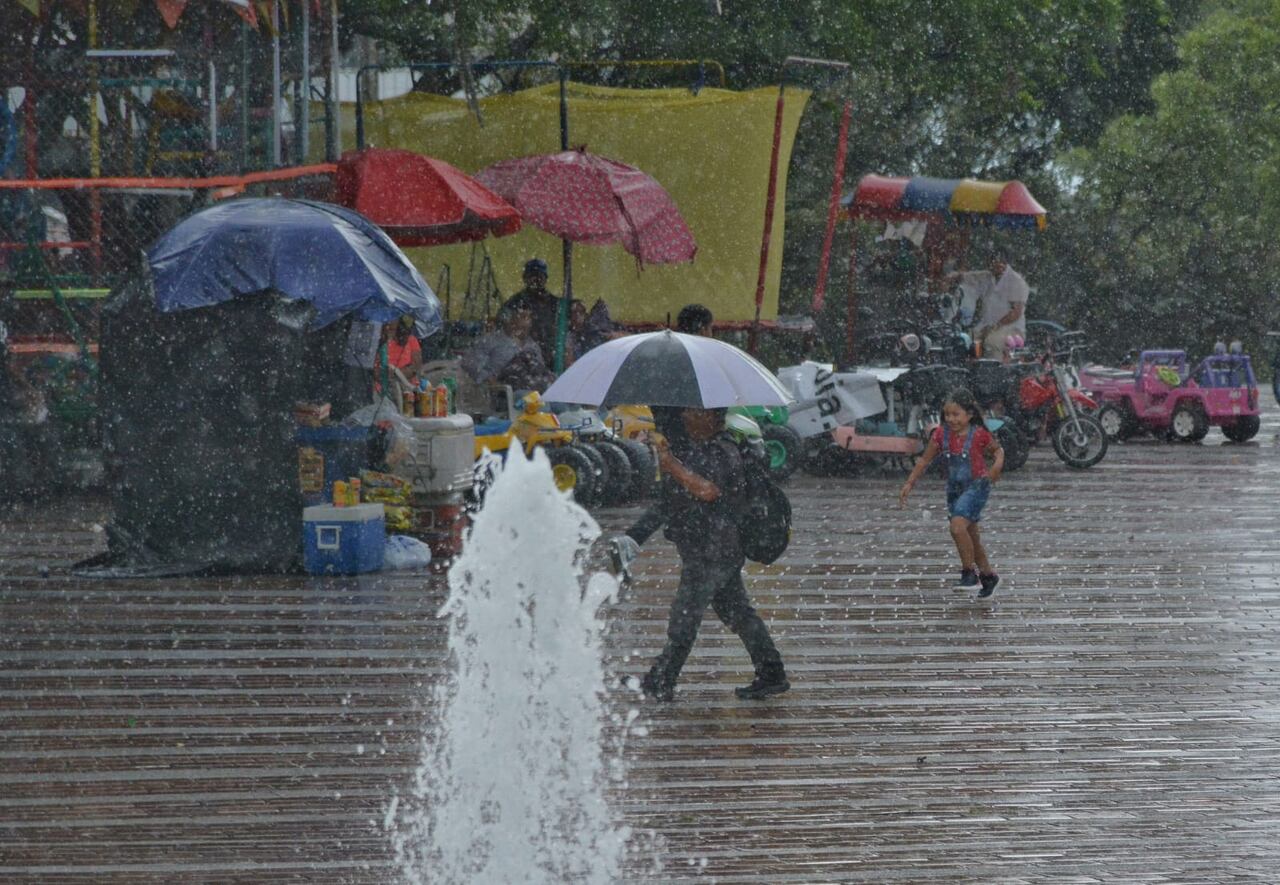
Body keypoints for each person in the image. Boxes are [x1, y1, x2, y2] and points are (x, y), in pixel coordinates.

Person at [615, 406, 789, 701]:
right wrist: (636, 536)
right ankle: (772, 672)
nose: (685, 417)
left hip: (712, 552)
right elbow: (674, 500)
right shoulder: (703, 449)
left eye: (693, 413)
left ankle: (661, 681)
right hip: (715, 549)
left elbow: (708, 490)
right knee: (738, 613)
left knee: (684, 618)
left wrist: (672, 466)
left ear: (711, 417)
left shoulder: (722, 451)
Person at [899, 388, 1005, 596]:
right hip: (955, 489)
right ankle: (988, 576)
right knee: (971, 537)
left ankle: (968, 573)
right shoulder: (940, 435)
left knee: (957, 528)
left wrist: (996, 466)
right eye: (947, 415)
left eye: (956, 414)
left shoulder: (979, 434)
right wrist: (909, 483)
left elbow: (998, 451)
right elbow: (924, 459)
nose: (951, 419)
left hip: (977, 487)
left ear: (969, 414)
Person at [947, 257, 1029, 362]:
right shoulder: (988, 276)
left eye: (995, 262)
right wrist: (954, 276)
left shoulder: (1016, 281)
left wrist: (995, 326)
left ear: (1003, 264)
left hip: (1010, 328)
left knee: (992, 342)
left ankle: (997, 371)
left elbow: (1016, 313)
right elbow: (970, 277)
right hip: (985, 326)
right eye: (991, 262)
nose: (992, 266)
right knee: (965, 341)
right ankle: (972, 370)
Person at [460, 304, 556, 392]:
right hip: (503, 393)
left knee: (558, 405)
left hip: (533, 390)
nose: (527, 322)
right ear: (510, 320)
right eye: (523, 317)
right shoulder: (491, 341)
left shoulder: (533, 346)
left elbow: (540, 370)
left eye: (529, 318)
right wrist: (488, 379)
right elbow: (470, 364)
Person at [502, 258, 561, 369]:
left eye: (540, 276)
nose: (536, 279)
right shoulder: (514, 303)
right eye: (532, 276)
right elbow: (505, 326)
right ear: (525, 279)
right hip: (523, 354)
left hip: (553, 355)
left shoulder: (556, 304)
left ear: (545, 279)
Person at [382, 316, 424, 387]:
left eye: (393, 316)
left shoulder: (411, 340)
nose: (389, 321)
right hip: (382, 387)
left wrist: (398, 373)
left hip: (407, 387)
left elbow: (416, 367)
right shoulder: (377, 340)